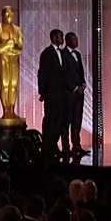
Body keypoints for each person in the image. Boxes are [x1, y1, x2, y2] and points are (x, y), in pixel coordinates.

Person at [37, 29, 72, 160]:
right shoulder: (47, 53)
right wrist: (42, 91)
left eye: (62, 36)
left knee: (60, 121)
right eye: (59, 36)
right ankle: (47, 147)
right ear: (53, 38)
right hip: (51, 94)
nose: (62, 39)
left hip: (62, 95)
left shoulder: (63, 54)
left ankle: (54, 145)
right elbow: (42, 73)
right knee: (50, 120)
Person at [0, 5, 25, 120]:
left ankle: (12, 110)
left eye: (11, 14)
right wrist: (7, 45)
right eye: (7, 14)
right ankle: (5, 111)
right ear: (2, 15)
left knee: (13, 86)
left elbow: (20, 49)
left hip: (14, 60)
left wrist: (10, 47)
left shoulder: (18, 30)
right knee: (5, 85)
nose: (9, 16)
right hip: (4, 60)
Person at [64, 32, 87, 158]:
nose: (76, 41)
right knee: (67, 121)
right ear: (67, 40)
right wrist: (74, 87)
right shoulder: (63, 54)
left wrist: (83, 84)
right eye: (73, 39)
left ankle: (77, 145)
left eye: (76, 38)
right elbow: (64, 75)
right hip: (69, 94)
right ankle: (66, 147)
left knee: (77, 120)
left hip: (79, 94)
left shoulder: (77, 54)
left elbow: (81, 72)